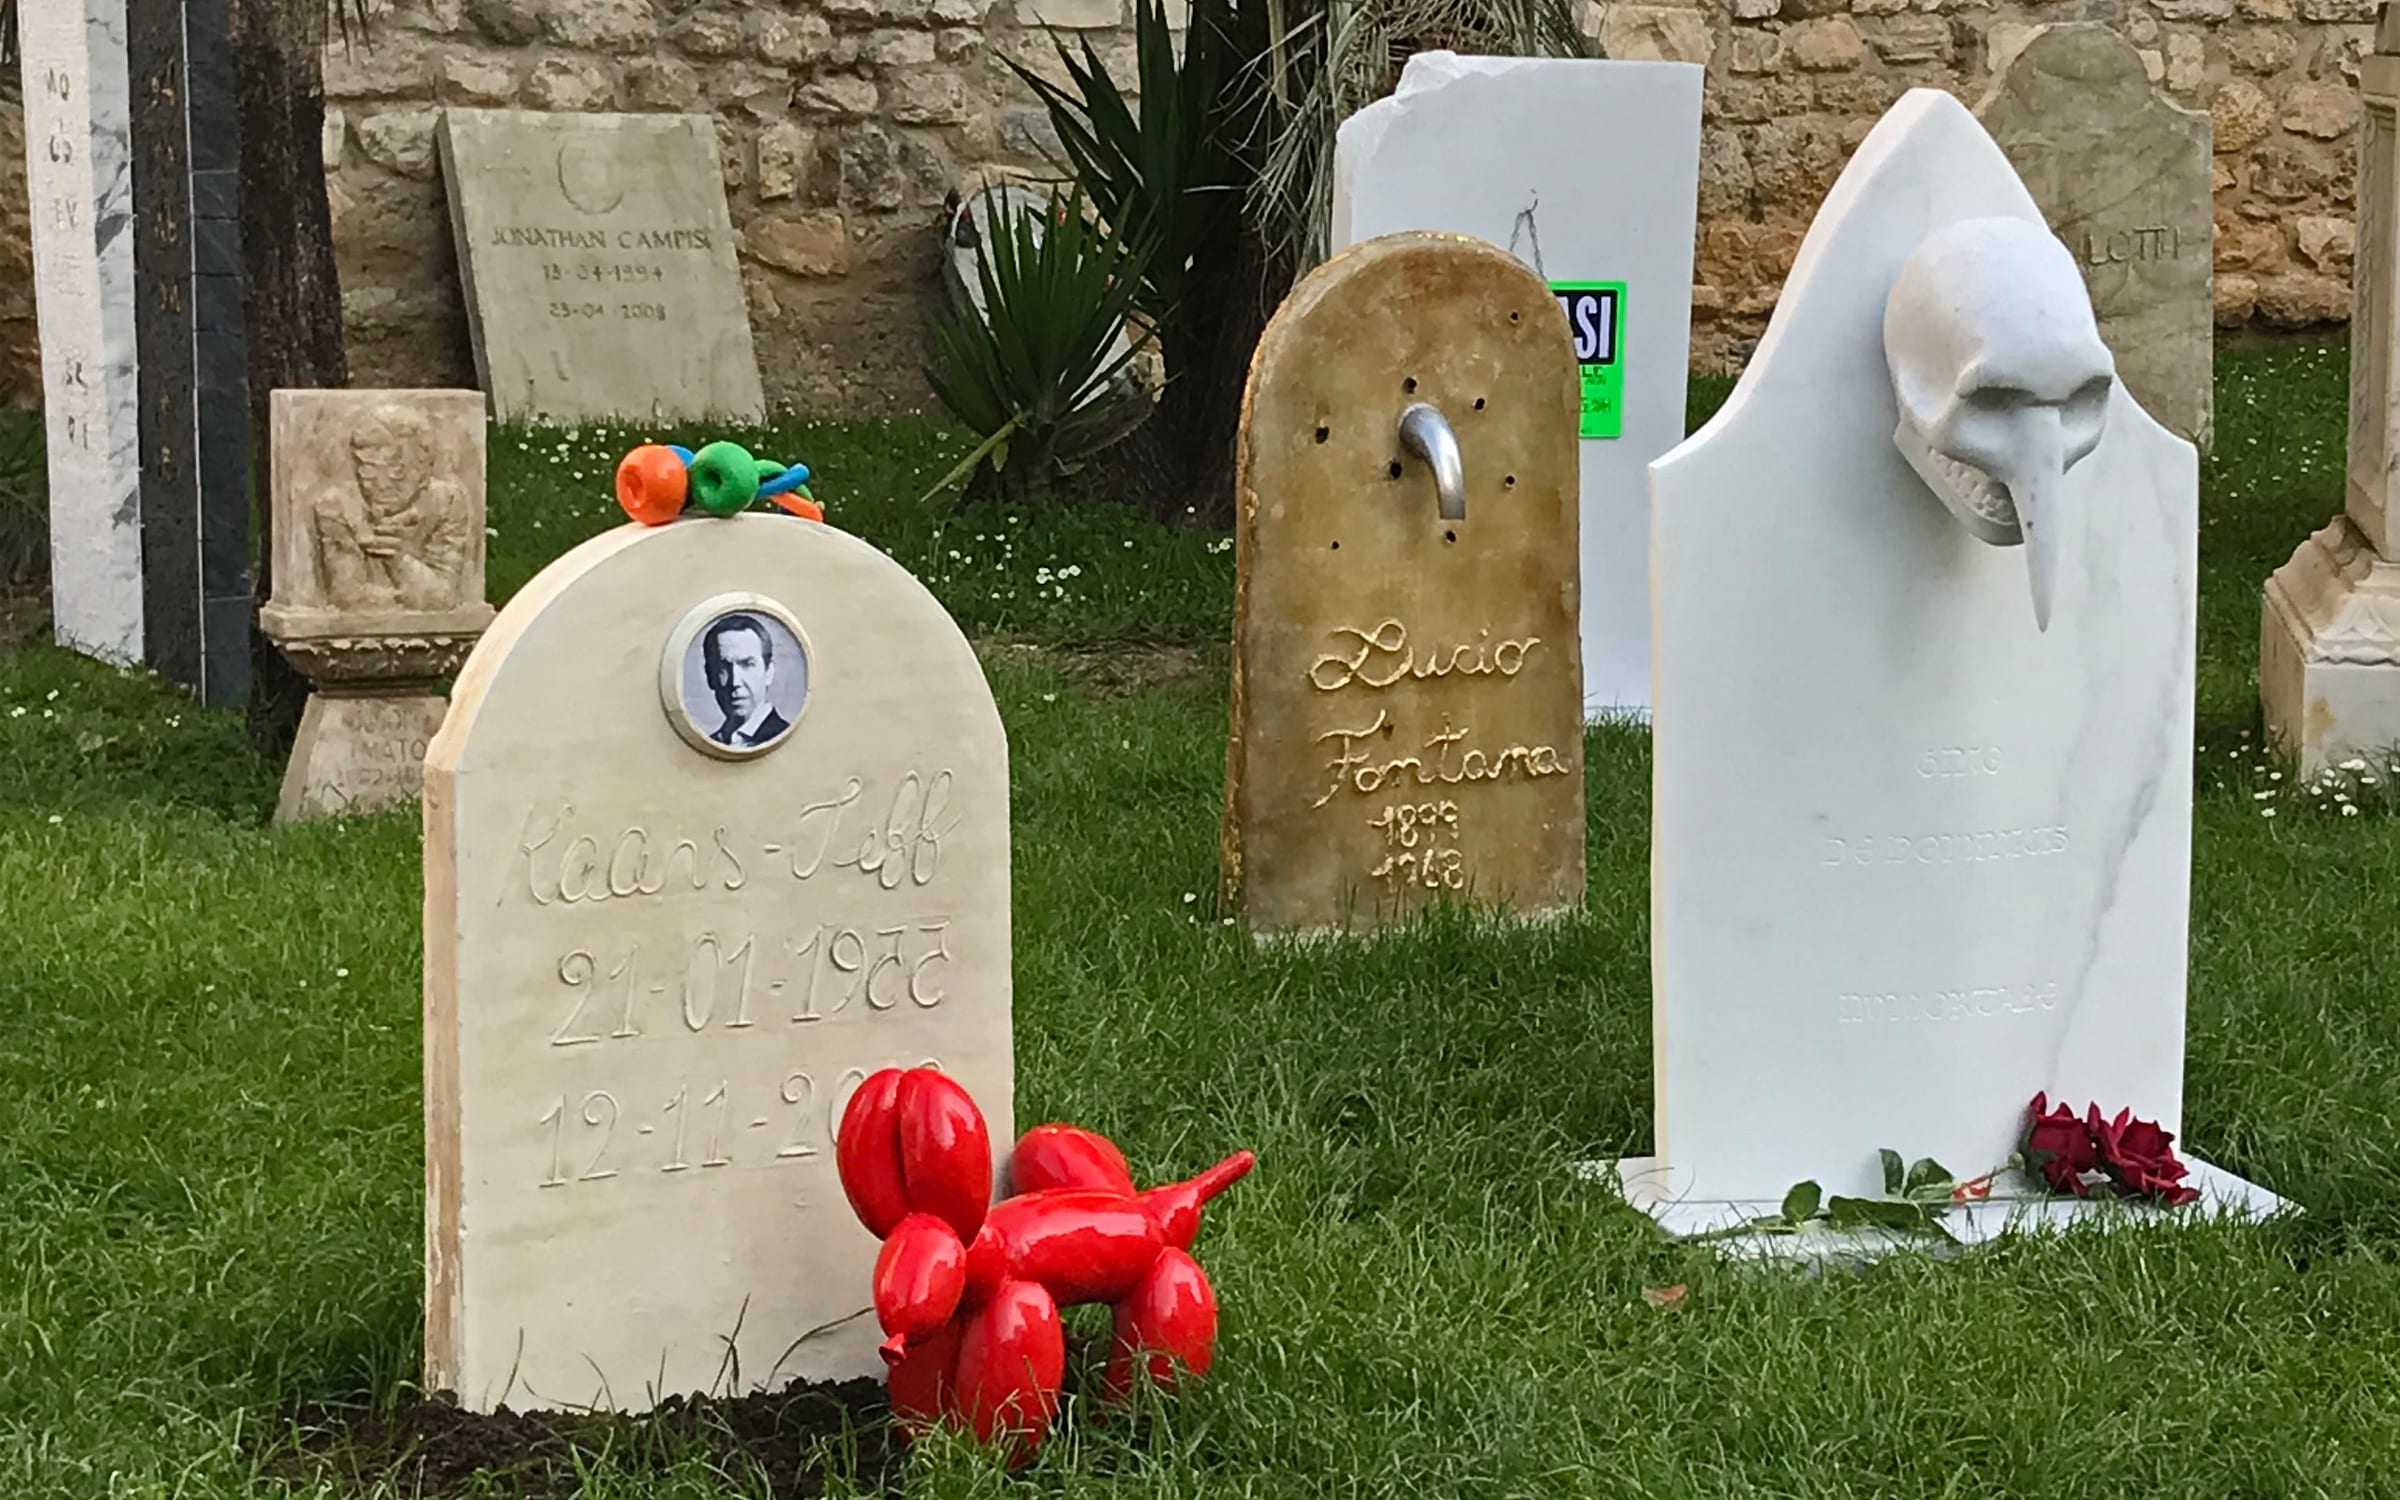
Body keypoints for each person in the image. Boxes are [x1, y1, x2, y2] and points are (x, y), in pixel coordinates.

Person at [702, 613, 789, 747]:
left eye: (747, 664)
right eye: (722, 668)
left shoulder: (789, 741)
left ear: (769, 672)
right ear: (710, 677)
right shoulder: (707, 744)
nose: (735, 682)